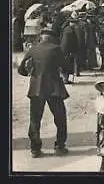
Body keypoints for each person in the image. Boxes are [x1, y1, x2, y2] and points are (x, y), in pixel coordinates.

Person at [17, 28, 69, 158]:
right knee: (60, 117)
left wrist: (30, 73)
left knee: (35, 119)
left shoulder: (33, 49)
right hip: (54, 89)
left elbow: (21, 69)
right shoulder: (56, 49)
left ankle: (35, 149)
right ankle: (60, 146)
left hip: (36, 89)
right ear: (51, 38)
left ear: (41, 37)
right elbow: (65, 66)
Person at [60, 17, 79, 84]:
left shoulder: (67, 29)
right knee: (66, 65)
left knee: (67, 65)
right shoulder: (70, 30)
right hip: (67, 51)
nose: (76, 24)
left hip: (65, 50)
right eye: (75, 23)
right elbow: (69, 42)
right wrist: (71, 51)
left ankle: (65, 79)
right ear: (71, 23)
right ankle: (65, 80)